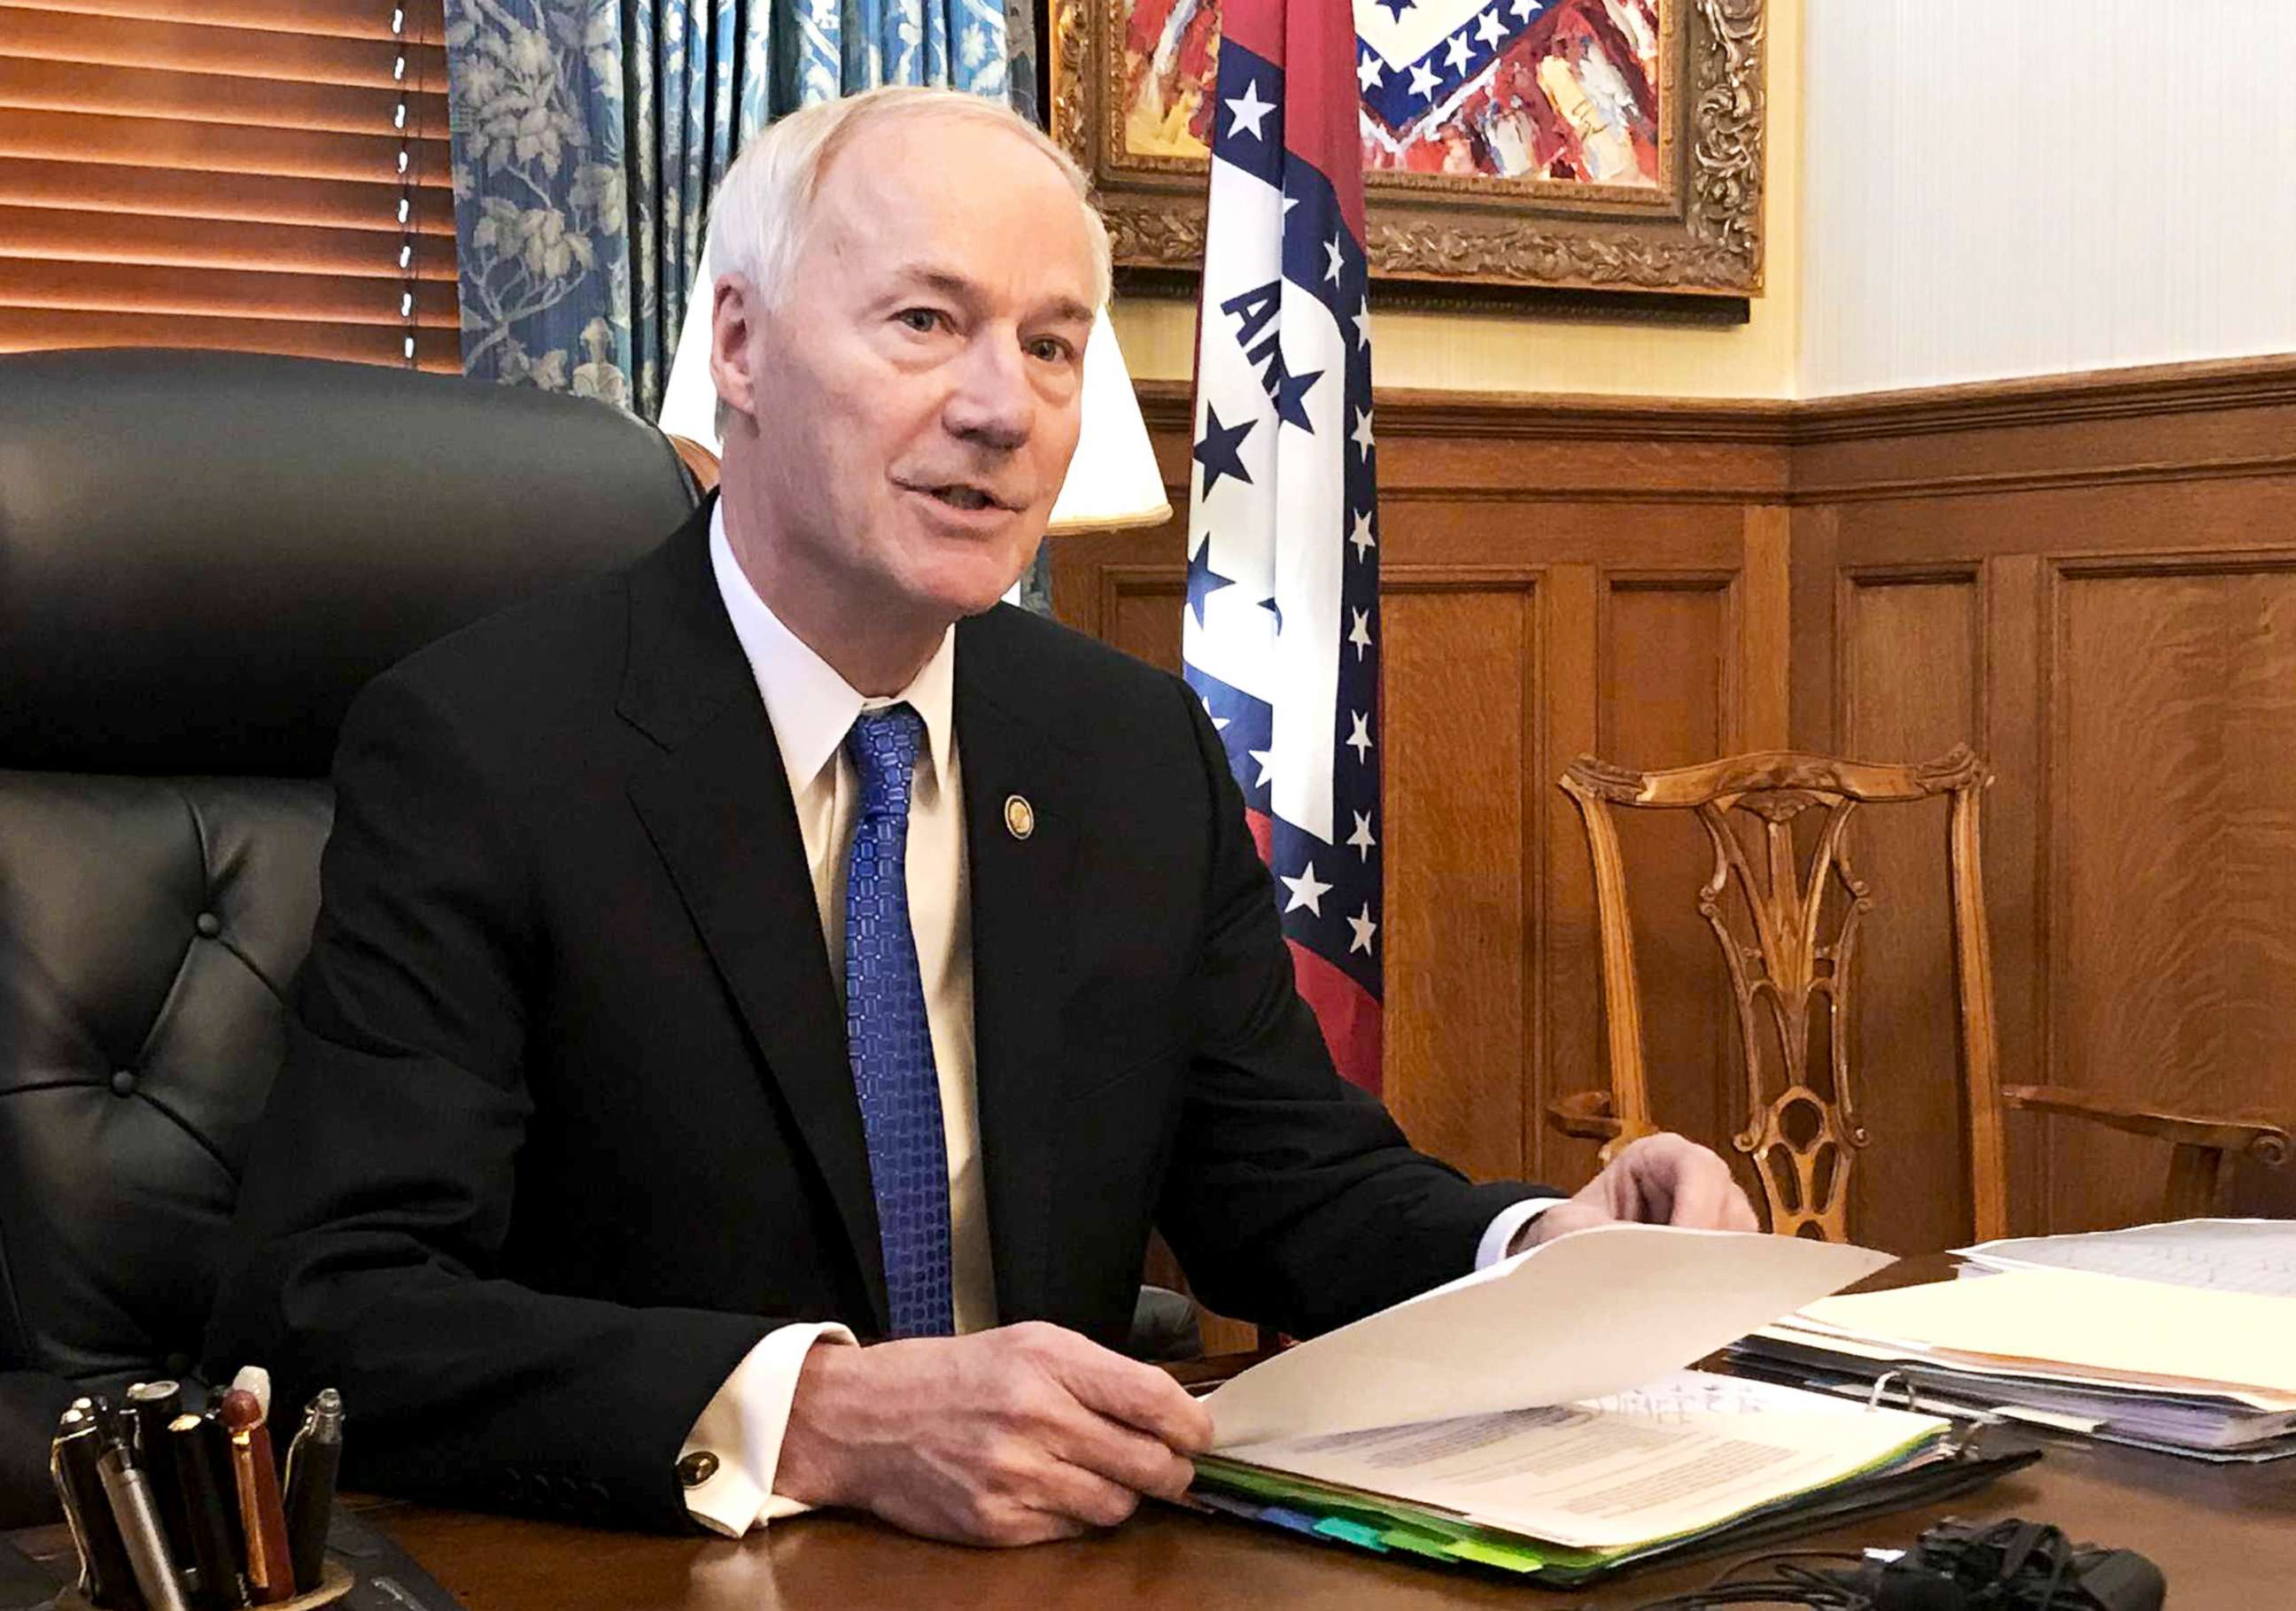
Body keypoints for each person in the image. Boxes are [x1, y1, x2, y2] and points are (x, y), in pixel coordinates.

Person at [207, 86, 1756, 1550]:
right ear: (738, 346)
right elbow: (330, 1305)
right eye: (926, 323)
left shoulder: (1126, 743)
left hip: (1064, 1567)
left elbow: (1285, 1184)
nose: (1002, 409)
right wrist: (815, 1415)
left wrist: (1549, 1250)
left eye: (1054, 345)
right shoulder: (489, 742)